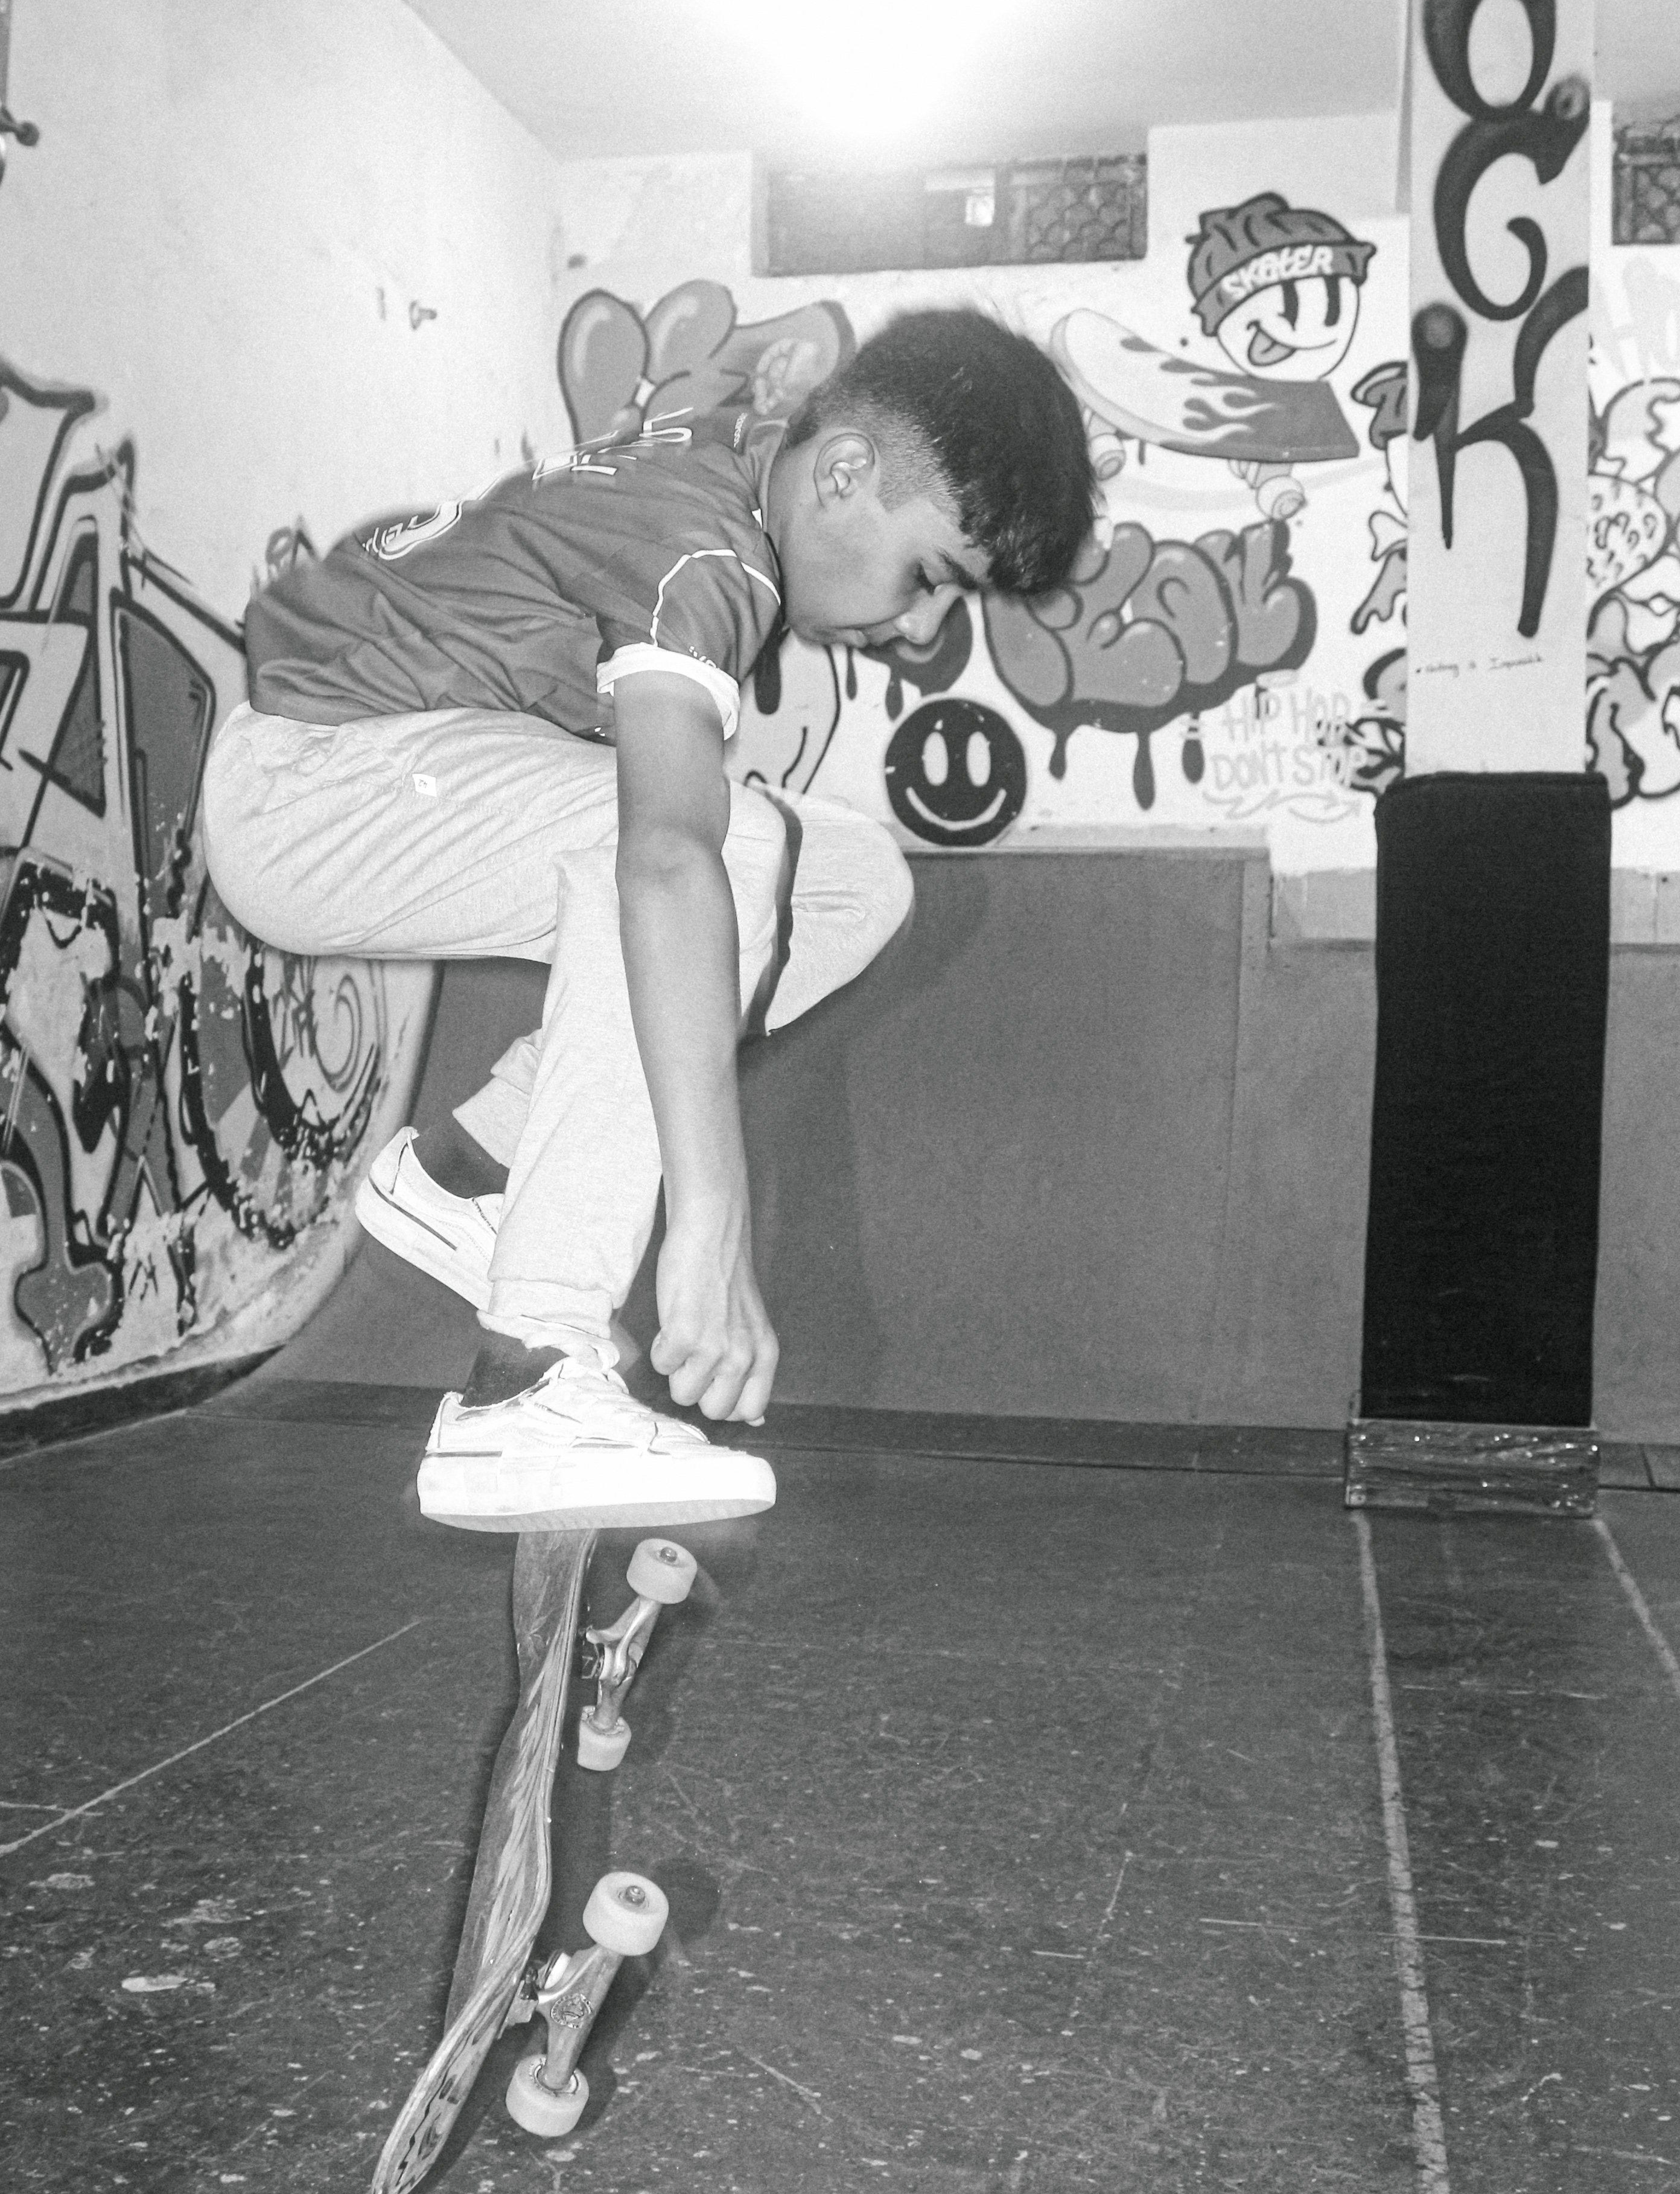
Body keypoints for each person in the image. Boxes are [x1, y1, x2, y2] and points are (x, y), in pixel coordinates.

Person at [201, 307, 1095, 1534]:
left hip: (376, 760)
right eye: (934, 577)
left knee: (848, 883)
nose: (927, 630)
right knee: (718, 851)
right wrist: (707, 1223)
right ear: (841, 475)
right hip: (317, 782)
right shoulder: (707, 555)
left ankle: (470, 1178)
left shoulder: (744, 457)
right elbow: (669, 860)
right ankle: (526, 1381)